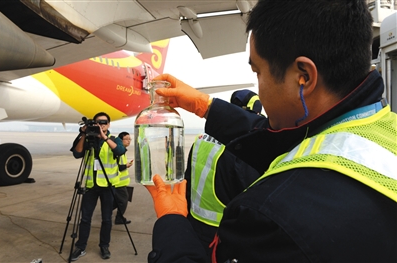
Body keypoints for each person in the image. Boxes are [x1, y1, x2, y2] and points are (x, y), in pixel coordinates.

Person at [146, 1, 397, 262]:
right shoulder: (381, 129)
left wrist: (171, 222)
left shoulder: (270, 218)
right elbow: (293, 141)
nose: (259, 87)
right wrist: (206, 106)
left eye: (258, 71)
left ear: (305, 77)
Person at [185, 89, 264, 257]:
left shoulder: (201, 138)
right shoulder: (242, 148)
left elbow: (188, 178)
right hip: (222, 233)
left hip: (193, 223)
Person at [70, 112, 126, 261]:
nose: (101, 125)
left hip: (107, 185)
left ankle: (104, 246)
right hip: (90, 185)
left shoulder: (114, 139)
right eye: (98, 123)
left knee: (107, 219)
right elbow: (77, 154)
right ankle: (80, 247)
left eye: (104, 122)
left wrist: (104, 137)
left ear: (108, 124)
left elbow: (120, 151)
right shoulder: (88, 139)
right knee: (85, 218)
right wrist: (83, 134)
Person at [113, 131, 133, 225]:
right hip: (118, 182)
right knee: (123, 201)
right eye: (126, 139)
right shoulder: (119, 151)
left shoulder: (123, 150)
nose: (129, 141)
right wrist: (126, 165)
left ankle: (107, 211)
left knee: (117, 201)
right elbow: (119, 167)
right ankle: (119, 218)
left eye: (130, 139)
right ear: (120, 140)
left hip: (122, 182)